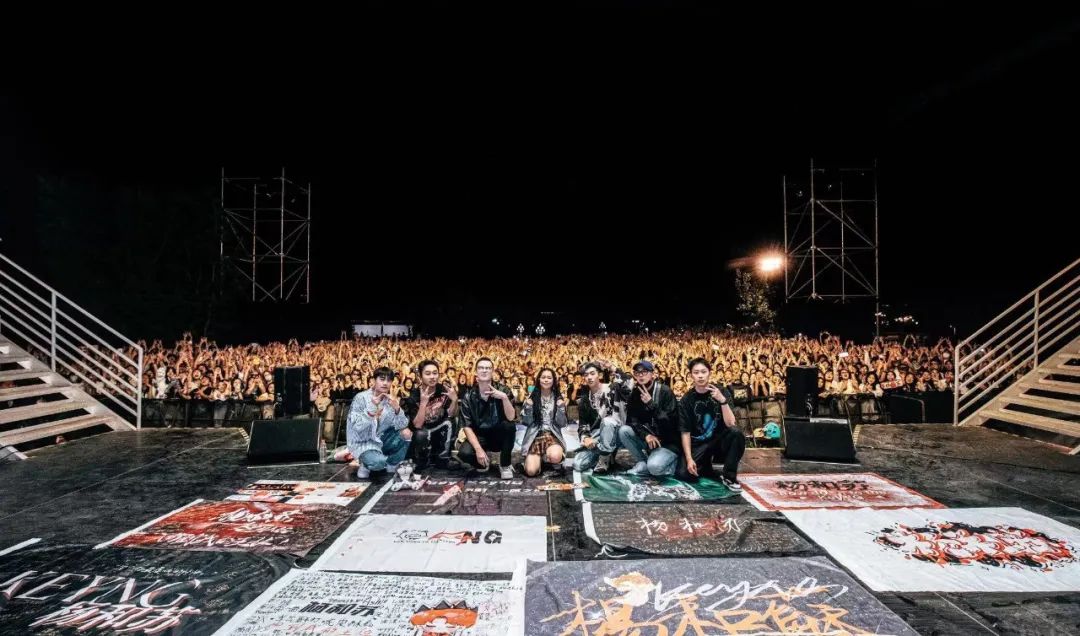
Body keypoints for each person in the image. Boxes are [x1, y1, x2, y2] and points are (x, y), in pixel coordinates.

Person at [677, 357, 744, 491]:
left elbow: (731, 423)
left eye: (703, 372)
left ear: (709, 373)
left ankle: (729, 477)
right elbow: (685, 432)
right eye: (696, 372)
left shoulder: (721, 391)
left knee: (736, 434)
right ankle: (705, 465)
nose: (700, 376)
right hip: (699, 444)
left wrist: (722, 401)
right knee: (684, 473)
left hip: (718, 440)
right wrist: (689, 459)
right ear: (691, 375)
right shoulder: (687, 399)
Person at [344, 366, 411, 479]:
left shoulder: (390, 400)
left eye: (389, 380)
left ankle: (391, 463)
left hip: (380, 440)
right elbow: (357, 426)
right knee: (379, 463)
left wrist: (397, 409)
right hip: (363, 442)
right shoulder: (361, 398)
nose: (385, 383)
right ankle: (365, 464)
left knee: (406, 433)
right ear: (374, 380)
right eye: (382, 379)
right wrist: (372, 409)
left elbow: (402, 425)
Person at [618, 360, 680, 476]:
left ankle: (675, 463)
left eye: (644, 372)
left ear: (652, 374)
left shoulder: (665, 391)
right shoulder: (635, 393)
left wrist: (651, 404)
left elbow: (671, 423)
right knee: (624, 431)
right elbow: (632, 421)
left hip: (667, 442)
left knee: (655, 468)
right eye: (637, 373)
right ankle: (642, 462)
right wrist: (646, 435)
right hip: (649, 440)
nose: (641, 375)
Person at [458, 357, 517, 479]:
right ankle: (484, 463)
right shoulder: (468, 396)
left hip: (498, 435)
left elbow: (511, 417)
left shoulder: (503, 390)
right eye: (481, 368)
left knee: (509, 426)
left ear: (492, 371)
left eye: (488, 368)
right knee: (464, 453)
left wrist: (504, 398)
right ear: (476, 372)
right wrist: (478, 449)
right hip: (480, 436)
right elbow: (467, 426)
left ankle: (505, 464)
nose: (484, 370)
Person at [403, 359, 459, 470]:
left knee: (450, 422)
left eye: (435, 373)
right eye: (428, 374)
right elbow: (417, 425)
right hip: (422, 431)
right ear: (420, 376)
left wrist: (454, 400)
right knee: (421, 433)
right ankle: (423, 459)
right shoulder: (414, 395)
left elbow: (451, 414)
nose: (432, 377)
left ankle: (443, 459)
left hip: (438, 428)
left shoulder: (443, 390)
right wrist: (423, 403)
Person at [573, 360, 626, 474]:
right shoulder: (584, 400)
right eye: (586, 375)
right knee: (578, 464)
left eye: (592, 373)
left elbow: (628, 382)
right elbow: (583, 424)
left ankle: (604, 458)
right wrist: (586, 438)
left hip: (616, 431)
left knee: (607, 421)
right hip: (597, 437)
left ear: (600, 375)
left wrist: (612, 367)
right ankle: (605, 453)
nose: (589, 377)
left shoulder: (612, 389)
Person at [520, 368, 568, 476]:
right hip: (535, 436)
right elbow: (526, 422)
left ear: (553, 380)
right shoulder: (531, 398)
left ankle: (548, 457)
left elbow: (562, 424)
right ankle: (540, 459)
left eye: (549, 378)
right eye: (543, 377)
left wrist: (561, 408)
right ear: (539, 380)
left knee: (555, 456)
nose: (546, 380)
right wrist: (528, 407)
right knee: (531, 471)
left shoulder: (558, 399)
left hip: (552, 435)